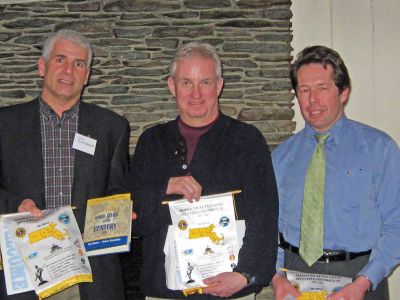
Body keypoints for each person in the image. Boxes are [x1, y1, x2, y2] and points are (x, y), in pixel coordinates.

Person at [127, 42, 279, 299]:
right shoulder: (152, 141)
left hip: (230, 291)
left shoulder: (247, 140)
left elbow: (264, 216)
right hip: (164, 291)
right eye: (186, 82)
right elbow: (133, 218)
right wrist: (165, 188)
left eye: (205, 82)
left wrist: (245, 274)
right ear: (172, 86)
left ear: (219, 86)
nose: (196, 93)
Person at [0, 29, 131, 300]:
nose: (69, 70)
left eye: (79, 64)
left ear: (87, 76)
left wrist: (123, 211)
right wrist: (17, 206)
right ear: (42, 66)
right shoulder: (4, 124)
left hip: (91, 277)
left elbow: (118, 191)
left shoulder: (112, 127)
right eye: (60, 59)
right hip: (25, 273)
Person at [271, 45, 400, 300]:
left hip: (359, 277)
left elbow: (396, 224)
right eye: (304, 90)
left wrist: (364, 282)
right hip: (295, 279)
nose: (312, 100)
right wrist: (276, 276)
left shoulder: (379, 149)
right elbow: (271, 226)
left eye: (322, 88)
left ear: (344, 92)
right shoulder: (282, 157)